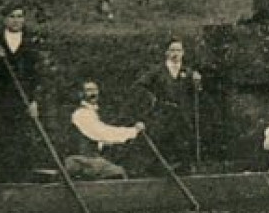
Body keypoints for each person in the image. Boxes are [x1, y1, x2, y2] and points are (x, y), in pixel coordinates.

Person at [0, 1, 44, 180]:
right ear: (5, 19)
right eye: (12, 16)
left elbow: (35, 75)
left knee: (22, 140)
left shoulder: (30, 42)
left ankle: (21, 179)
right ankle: (0, 180)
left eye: (19, 16)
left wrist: (34, 101)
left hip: (22, 100)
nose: (16, 20)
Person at [135, 38, 202, 166]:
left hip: (182, 113)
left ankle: (184, 168)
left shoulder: (187, 72)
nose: (175, 53)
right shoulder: (158, 71)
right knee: (162, 141)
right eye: (172, 50)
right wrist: (152, 99)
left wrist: (197, 82)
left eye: (178, 50)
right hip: (163, 113)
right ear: (167, 53)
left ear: (183, 53)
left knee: (183, 142)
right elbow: (140, 85)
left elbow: (195, 92)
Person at [66, 80, 143, 181]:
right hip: (79, 161)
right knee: (117, 172)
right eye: (88, 90)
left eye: (95, 90)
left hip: (89, 161)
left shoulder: (92, 112)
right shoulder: (81, 113)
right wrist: (133, 131)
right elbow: (102, 133)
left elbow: (100, 137)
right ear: (80, 94)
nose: (93, 93)